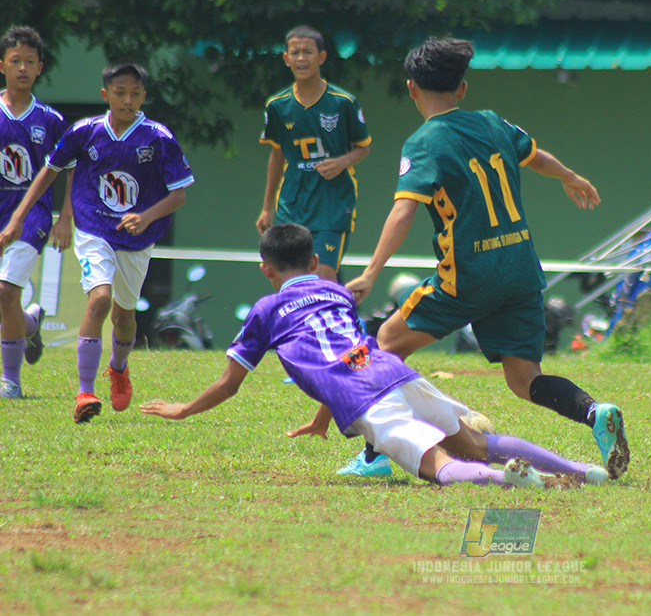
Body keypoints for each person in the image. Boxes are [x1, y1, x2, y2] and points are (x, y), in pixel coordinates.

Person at [346, 37, 630, 480]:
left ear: (411, 88)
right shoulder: (493, 123)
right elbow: (535, 156)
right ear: (462, 89)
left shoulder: (423, 142)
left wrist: (370, 272)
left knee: (385, 344)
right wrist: (571, 178)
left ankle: (376, 456)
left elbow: (403, 210)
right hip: (520, 270)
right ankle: (595, 412)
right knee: (525, 379)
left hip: (469, 275)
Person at [140, 224, 609, 490]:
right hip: (396, 373)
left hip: (363, 398)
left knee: (438, 468)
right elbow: (341, 351)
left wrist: (183, 409)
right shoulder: (335, 293)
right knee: (479, 442)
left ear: (267, 269)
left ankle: (515, 482)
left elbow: (230, 382)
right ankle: (583, 471)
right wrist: (323, 420)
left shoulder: (266, 310)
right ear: (312, 263)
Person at [0, 60, 195, 422]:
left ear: (143, 97)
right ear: (106, 95)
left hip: (137, 238)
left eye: (135, 94)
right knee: (99, 299)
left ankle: (118, 367)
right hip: (93, 229)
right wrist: (20, 217)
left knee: (124, 316)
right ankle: (84, 392)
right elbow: (49, 171)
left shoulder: (157, 137)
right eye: (120, 93)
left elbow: (179, 194)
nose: (127, 100)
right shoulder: (85, 131)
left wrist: (146, 216)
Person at [256, 25, 371, 281]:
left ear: (321, 57)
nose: (300, 58)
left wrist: (342, 162)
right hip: (292, 204)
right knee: (287, 280)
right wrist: (267, 208)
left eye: (307, 52)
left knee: (321, 279)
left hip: (332, 204)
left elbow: (363, 147)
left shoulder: (344, 102)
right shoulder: (277, 105)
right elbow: (277, 155)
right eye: (294, 52)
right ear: (286, 59)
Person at [0, 25, 70, 398]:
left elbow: (70, 167)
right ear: (2, 66)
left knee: (5, 291)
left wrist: (66, 216)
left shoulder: (50, 120)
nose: (22, 69)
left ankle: (10, 380)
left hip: (32, 218)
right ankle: (29, 323)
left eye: (29, 62)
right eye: (15, 62)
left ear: (40, 67)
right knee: (6, 301)